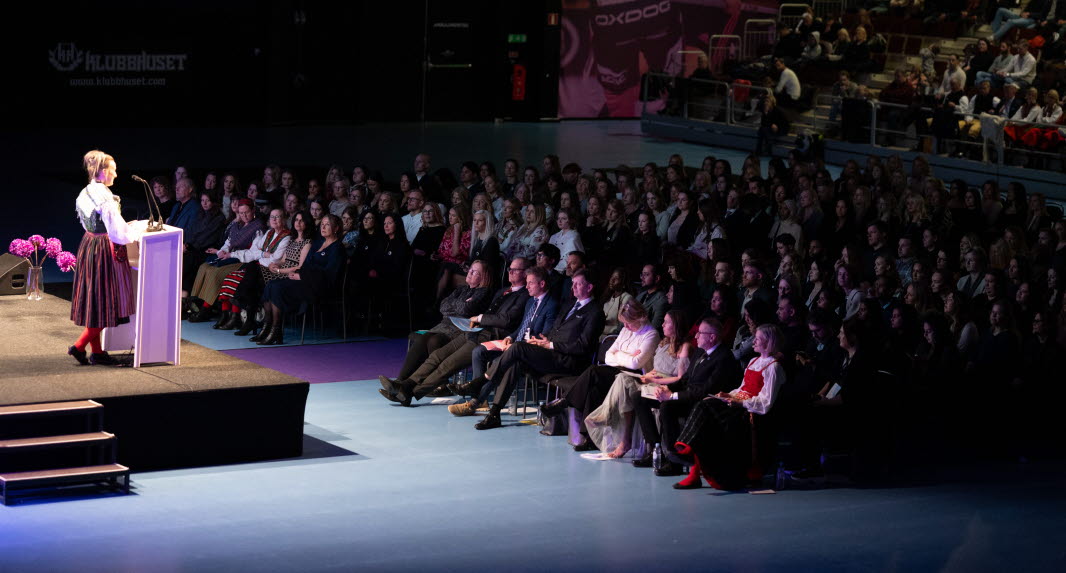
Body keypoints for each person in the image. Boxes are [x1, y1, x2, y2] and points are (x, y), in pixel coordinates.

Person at [474, 270, 606, 430]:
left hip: (569, 362)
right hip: (552, 356)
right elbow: (554, 331)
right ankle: (494, 414)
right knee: (516, 361)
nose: (573, 287)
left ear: (590, 287)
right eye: (572, 284)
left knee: (518, 347)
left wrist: (550, 345)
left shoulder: (595, 312)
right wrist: (543, 340)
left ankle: (481, 381)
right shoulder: (569, 305)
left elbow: (583, 346)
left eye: (578, 284)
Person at [672, 324, 785, 490]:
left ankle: (687, 449)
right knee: (705, 403)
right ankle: (691, 459)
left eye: (758, 339)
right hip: (737, 402)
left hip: (749, 411)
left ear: (768, 342)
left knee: (706, 410)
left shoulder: (773, 367)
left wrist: (740, 402)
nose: (753, 341)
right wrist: (728, 395)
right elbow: (742, 388)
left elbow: (766, 402)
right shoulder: (754, 361)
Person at [539, 300, 659, 450]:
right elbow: (608, 354)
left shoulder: (651, 334)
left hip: (634, 377)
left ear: (640, 317)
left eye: (629, 323)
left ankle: (565, 401)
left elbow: (636, 364)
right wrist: (626, 355)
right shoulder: (625, 331)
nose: (626, 327)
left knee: (594, 371)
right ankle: (588, 438)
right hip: (616, 371)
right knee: (592, 388)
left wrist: (619, 354)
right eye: (624, 323)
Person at [631, 317, 742, 475]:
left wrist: (672, 396)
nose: (696, 336)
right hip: (686, 394)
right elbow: (685, 379)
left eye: (700, 333)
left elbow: (706, 390)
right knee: (639, 396)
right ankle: (656, 450)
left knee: (667, 406)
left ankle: (674, 460)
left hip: (703, 402)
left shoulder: (724, 358)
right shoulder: (699, 352)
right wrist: (664, 388)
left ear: (712, 337)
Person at [447, 265, 560, 415]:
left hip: (530, 351)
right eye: (526, 282)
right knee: (479, 351)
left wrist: (518, 345)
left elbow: (544, 336)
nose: (526, 286)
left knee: (499, 362)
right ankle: (478, 395)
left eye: (530, 283)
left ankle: (475, 401)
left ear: (542, 284)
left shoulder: (552, 305)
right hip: (516, 344)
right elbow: (522, 327)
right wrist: (509, 338)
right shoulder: (531, 302)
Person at [585, 310, 693, 458]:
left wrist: (655, 380)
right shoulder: (664, 342)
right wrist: (649, 375)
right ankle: (611, 420)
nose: (662, 324)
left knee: (628, 388)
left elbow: (680, 378)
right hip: (652, 380)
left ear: (676, 325)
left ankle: (612, 423)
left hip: (665, 386)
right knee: (623, 378)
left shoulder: (685, 346)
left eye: (667, 322)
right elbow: (657, 367)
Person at [68, 150, 135, 366]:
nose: (115, 175)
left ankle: (97, 353)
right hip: (104, 249)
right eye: (113, 171)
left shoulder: (86, 191)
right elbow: (116, 230)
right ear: (103, 172)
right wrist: (132, 235)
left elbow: (87, 221)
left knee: (95, 301)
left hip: (89, 245)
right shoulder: (105, 197)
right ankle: (79, 347)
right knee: (106, 301)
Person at [257, 214, 346, 345]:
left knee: (278, 288)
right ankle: (268, 326)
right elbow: (306, 265)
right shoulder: (318, 243)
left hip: (321, 287)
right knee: (272, 284)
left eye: (327, 224)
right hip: (306, 280)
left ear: (336, 228)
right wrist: (298, 274)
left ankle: (276, 331)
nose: (323, 227)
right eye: (322, 224)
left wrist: (302, 276)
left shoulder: (337, 248)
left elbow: (329, 274)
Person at [212, 208, 292, 331]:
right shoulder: (269, 233)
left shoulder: (287, 236)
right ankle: (248, 318)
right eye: (272, 217)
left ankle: (245, 311)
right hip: (260, 267)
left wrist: (261, 256)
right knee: (250, 276)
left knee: (252, 277)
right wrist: (264, 254)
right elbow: (256, 250)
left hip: (274, 271)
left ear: (284, 219)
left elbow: (276, 259)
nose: (274, 220)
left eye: (278, 217)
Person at [187, 200, 266, 322]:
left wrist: (231, 254)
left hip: (242, 261)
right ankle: (196, 301)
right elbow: (227, 243)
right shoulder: (236, 225)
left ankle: (206, 309)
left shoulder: (258, 227)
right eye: (241, 213)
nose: (244, 216)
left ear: (253, 211)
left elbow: (253, 253)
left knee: (215, 273)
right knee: (204, 267)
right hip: (229, 257)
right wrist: (222, 252)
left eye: (247, 212)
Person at [239, 211, 316, 337]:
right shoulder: (292, 239)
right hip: (281, 270)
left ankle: (271, 327)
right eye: (296, 220)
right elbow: (283, 260)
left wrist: (280, 270)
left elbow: (300, 266)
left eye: (302, 220)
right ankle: (267, 325)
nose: (298, 223)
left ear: (307, 223)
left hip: (291, 274)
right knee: (258, 274)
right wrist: (275, 265)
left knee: (265, 282)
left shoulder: (307, 243)